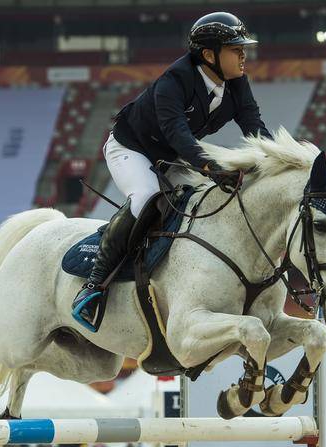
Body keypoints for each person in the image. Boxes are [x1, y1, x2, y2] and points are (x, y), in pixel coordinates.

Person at [71, 11, 272, 332]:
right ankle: (94, 284)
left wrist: (275, 162)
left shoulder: (236, 83)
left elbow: (254, 125)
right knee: (148, 196)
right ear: (209, 55)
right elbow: (178, 133)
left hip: (173, 155)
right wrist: (211, 166)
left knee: (202, 200)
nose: (244, 55)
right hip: (131, 149)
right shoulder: (174, 81)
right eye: (236, 49)